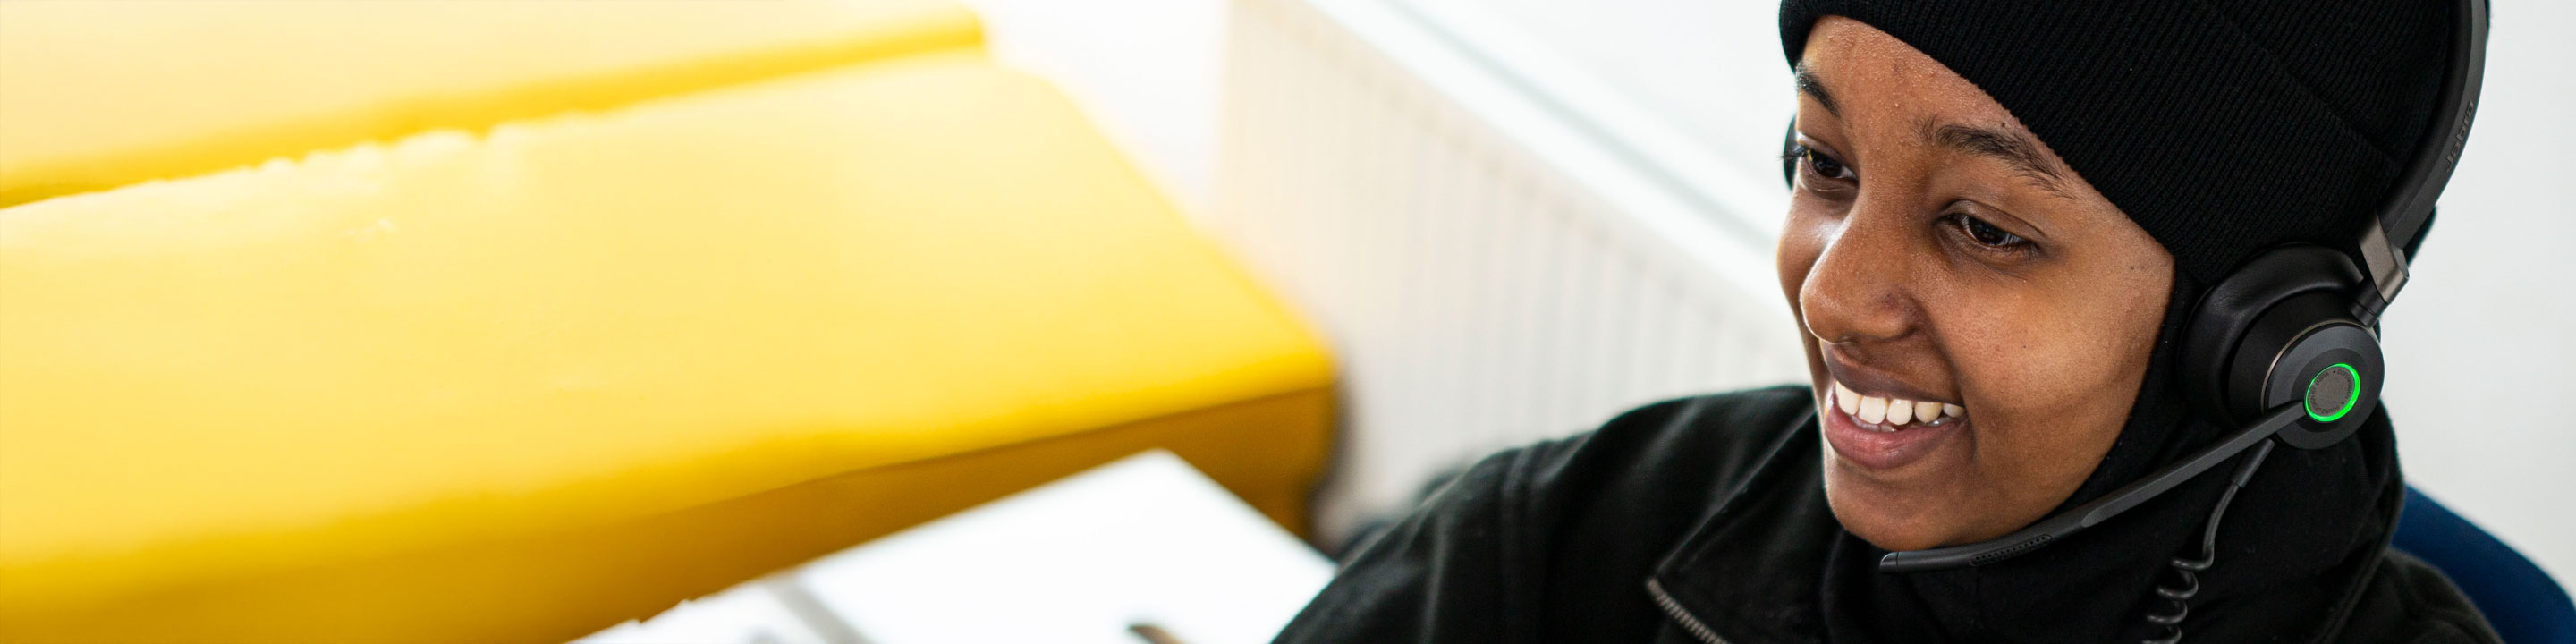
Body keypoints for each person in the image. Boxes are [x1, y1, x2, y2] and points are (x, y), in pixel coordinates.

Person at [1269, 1, 2503, 642]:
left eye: (1983, 227)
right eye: (1826, 163)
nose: (1831, 297)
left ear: (2260, 343)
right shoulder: (1569, 537)